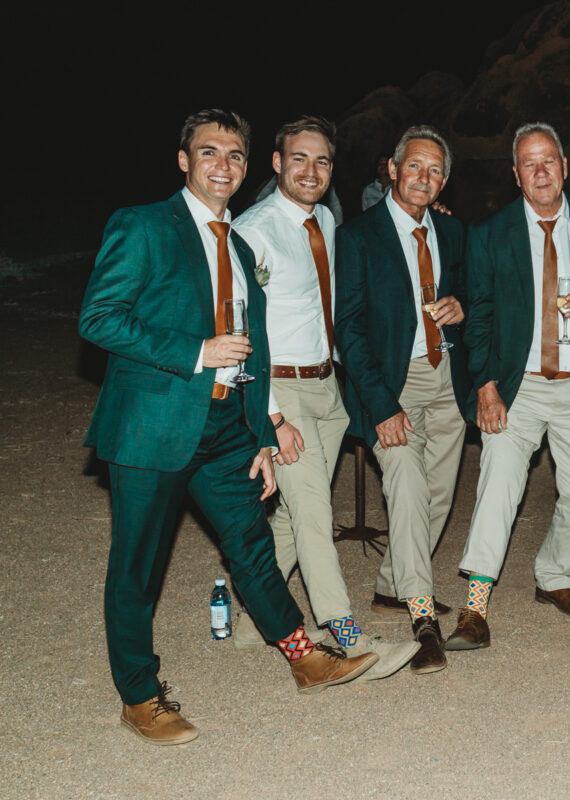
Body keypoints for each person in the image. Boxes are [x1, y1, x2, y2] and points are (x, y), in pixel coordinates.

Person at [79, 109, 377, 746]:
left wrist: (263, 434)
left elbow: (256, 350)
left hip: (226, 427)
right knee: (137, 569)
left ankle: (303, 656)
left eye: (235, 155)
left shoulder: (239, 246)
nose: (224, 165)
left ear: (247, 167)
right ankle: (139, 697)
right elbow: (99, 317)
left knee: (253, 547)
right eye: (209, 152)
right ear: (183, 160)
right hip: (153, 428)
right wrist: (197, 351)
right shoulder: (143, 225)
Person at [232, 116, 418, 679]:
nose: (311, 171)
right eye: (299, 158)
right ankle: (347, 634)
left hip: (325, 387)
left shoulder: (328, 222)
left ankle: (252, 618)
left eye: (322, 161)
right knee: (315, 514)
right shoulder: (252, 230)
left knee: (293, 515)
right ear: (276, 163)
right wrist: (270, 416)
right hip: (280, 389)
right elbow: (236, 328)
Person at [445, 122, 570, 651]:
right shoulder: (489, 232)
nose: (541, 171)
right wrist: (486, 386)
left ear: (565, 167)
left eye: (549, 160)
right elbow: (478, 314)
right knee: (499, 483)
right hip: (516, 384)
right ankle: (475, 609)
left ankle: (555, 576)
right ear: (516, 175)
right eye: (529, 163)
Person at [335, 125, 470, 674]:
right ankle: (422, 618)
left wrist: (461, 309)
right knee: (409, 488)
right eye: (414, 165)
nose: (423, 177)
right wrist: (380, 405)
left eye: (435, 170)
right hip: (393, 384)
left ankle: (392, 585)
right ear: (392, 170)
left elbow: (472, 296)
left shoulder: (452, 232)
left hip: (447, 380)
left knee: (438, 495)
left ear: (444, 181)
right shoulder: (358, 235)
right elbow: (349, 328)